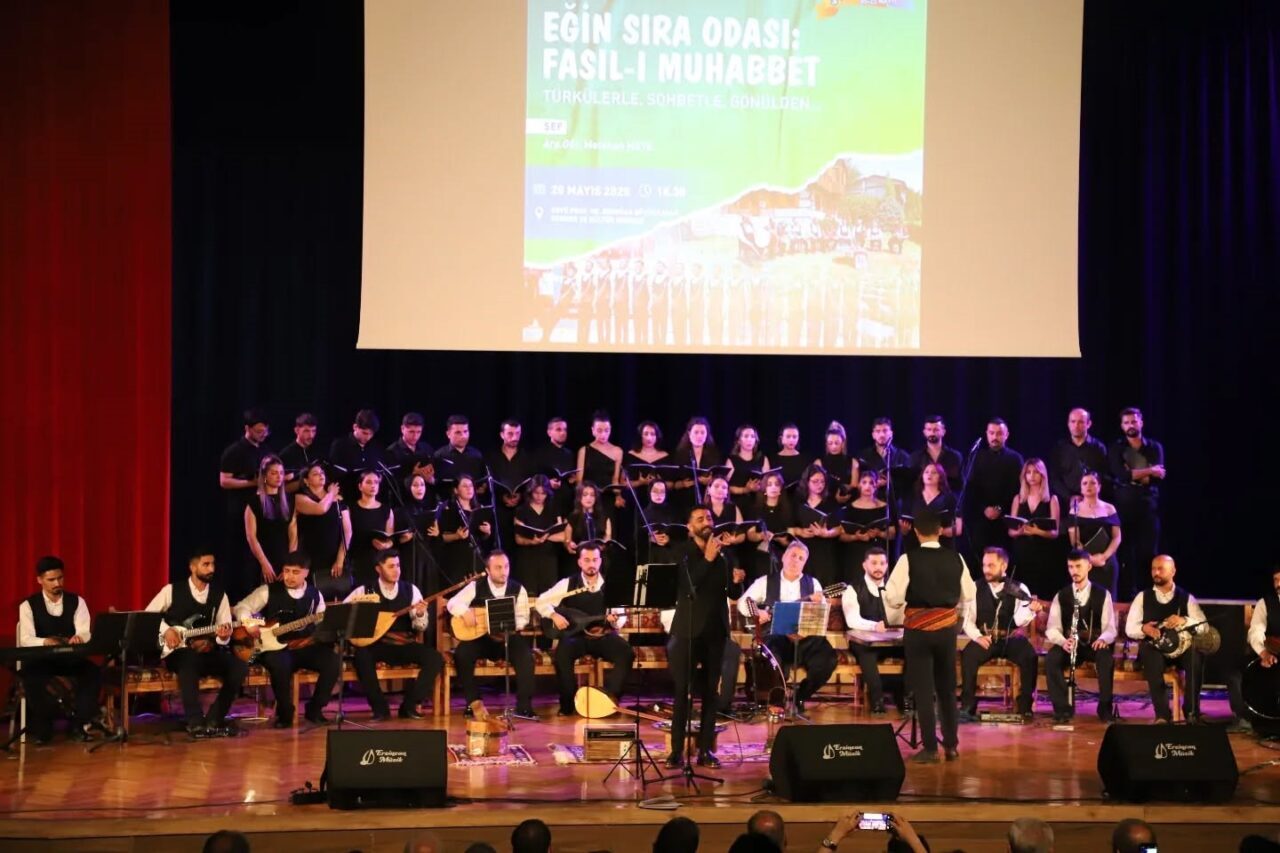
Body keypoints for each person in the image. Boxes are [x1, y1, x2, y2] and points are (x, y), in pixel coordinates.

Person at [883, 510, 976, 762]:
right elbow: (969, 592)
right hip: (946, 630)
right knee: (947, 688)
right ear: (940, 531)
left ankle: (931, 749)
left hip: (918, 630)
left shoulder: (907, 559)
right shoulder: (956, 558)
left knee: (924, 689)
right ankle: (952, 746)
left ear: (916, 532)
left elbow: (893, 597)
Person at [667, 506, 746, 768]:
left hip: (715, 632)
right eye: (700, 519)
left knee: (711, 694)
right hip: (687, 631)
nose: (706, 522)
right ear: (690, 528)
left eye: (709, 518)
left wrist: (737, 581)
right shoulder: (682, 553)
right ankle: (676, 752)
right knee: (682, 693)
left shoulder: (724, 554)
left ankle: (705, 752)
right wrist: (709, 559)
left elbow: (732, 595)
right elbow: (689, 589)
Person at [144, 546, 248, 735]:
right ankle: (195, 721)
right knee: (188, 661)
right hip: (179, 652)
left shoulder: (219, 595)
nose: (211, 569)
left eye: (213, 564)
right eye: (206, 564)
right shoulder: (171, 590)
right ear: (193, 567)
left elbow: (223, 630)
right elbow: (147, 617)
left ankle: (215, 718)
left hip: (207, 652)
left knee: (239, 667)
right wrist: (166, 630)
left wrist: (220, 638)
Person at [233, 552, 340, 727]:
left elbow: (322, 622)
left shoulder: (315, 595)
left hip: (302, 646)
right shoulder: (268, 591)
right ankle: (284, 714)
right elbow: (241, 607)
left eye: (295, 572)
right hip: (273, 648)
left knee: (333, 662)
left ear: (306, 572)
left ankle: (315, 709)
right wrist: (248, 623)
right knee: (279, 665)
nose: (289, 576)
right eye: (287, 571)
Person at [740, 541, 838, 717]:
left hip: (805, 638)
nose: (796, 561)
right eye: (793, 555)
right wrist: (758, 612)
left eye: (801, 558)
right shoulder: (765, 581)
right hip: (776, 637)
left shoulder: (813, 584)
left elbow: (820, 614)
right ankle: (777, 700)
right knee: (772, 656)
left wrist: (819, 604)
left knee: (827, 659)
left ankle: (800, 696)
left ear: (805, 563)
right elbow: (743, 602)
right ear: (784, 557)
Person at [537, 542, 634, 715]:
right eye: (587, 560)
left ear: (600, 561)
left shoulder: (609, 585)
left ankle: (608, 700)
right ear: (580, 562)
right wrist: (553, 615)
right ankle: (568, 704)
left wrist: (614, 622)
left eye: (595, 560)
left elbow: (620, 616)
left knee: (626, 653)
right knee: (562, 656)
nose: (591, 564)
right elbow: (541, 601)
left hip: (602, 636)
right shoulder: (568, 583)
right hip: (576, 636)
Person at [344, 551, 441, 720]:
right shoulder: (364, 590)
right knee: (361, 657)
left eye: (398, 565)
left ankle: (410, 706)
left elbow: (421, 627)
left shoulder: (411, 590)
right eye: (390, 566)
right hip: (377, 645)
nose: (396, 570)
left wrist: (419, 615)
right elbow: (344, 614)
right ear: (378, 569)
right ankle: (380, 708)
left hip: (405, 645)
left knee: (434, 658)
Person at [17, 556, 102, 743]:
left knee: (93, 673)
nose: (57, 583)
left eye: (60, 578)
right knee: (32, 678)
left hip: (69, 659)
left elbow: (85, 631)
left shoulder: (77, 602)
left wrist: (80, 637)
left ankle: (79, 725)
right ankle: (44, 729)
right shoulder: (28, 606)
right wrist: (45, 642)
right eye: (51, 580)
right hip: (41, 660)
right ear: (39, 580)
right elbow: (26, 639)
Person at [446, 550, 537, 720]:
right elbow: (452, 603)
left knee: (526, 657)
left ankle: (524, 706)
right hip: (482, 638)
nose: (504, 571)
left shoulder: (518, 589)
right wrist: (465, 611)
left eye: (506, 567)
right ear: (488, 570)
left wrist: (512, 624)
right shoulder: (476, 586)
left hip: (508, 637)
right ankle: (473, 702)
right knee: (462, 654)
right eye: (498, 567)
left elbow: (523, 617)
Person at [958, 547, 1039, 720]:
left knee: (1029, 655)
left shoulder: (1018, 588)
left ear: (1004, 566)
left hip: (1010, 638)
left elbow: (1019, 620)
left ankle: (1025, 704)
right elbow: (967, 620)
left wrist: (1030, 609)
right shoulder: (974, 587)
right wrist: (977, 637)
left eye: (991, 565)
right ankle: (968, 705)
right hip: (986, 638)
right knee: (968, 656)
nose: (986, 570)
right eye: (984, 565)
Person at [1126, 554, 1207, 722]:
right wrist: (1143, 628)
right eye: (1153, 569)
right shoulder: (1143, 597)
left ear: (1173, 571)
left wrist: (1184, 620)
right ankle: (1162, 715)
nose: (1156, 572)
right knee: (1150, 656)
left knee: (1196, 657)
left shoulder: (1186, 598)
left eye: (1160, 569)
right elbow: (1129, 629)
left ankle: (1191, 711)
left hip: (1180, 650)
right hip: (1155, 649)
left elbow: (1204, 626)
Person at [1045, 549, 1117, 723]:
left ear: (1089, 567)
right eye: (1070, 567)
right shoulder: (1062, 595)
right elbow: (1052, 628)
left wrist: (1102, 639)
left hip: (1094, 644)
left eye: (1078, 566)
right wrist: (1063, 642)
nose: (1074, 571)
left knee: (1106, 658)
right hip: (1071, 645)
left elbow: (1111, 629)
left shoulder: (1102, 594)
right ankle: (1063, 709)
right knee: (1052, 658)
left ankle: (1105, 708)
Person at [1109, 407, 1166, 597]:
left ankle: (1149, 596)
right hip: (1124, 508)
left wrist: (1134, 474)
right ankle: (1127, 598)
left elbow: (1159, 477)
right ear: (1121, 426)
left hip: (1148, 508)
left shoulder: (1154, 447)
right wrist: (1149, 471)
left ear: (1141, 422)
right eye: (1126, 422)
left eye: (1133, 421)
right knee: (1125, 554)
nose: (1130, 425)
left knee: (1147, 553)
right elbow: (1122, 475)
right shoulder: (1117, 448)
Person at [841, 547, 903, 715]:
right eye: (874, 563)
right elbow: (852, 620)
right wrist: (875, 626)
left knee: (915, 650)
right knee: (867, 655)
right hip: (864, 643)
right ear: (864, 565)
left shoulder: (893, 588)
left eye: (882, 563)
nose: (879, 567)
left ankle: (906, 699)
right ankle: (877, 702)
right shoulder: (853, 589)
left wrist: (898, 623)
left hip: (891, 641)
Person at [219, 408, 272, 601]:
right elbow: (224, 481)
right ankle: (237, 600)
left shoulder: (266, 450)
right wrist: (251, 482)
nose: (263, 434)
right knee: (241, 558)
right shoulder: (234, 451)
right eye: (259, 431)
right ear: (247, 429)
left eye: (265, 431)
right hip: (239, 510)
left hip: (262, 510)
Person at [963, 417, 1024, 564]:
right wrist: (984, 509)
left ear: (1006, 434)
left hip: (1005, 518)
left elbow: (1018, 489)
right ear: (986, 434)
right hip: (981, 518)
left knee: (1004, 560)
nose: (995, 437)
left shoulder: (1015, 459)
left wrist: (1000, 509)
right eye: (991, 433)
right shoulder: (976, 457)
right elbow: (970, 489)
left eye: (999, 433)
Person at [294, 462, 350, 599]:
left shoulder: (338, 500)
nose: (320, 475)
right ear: (306, 481)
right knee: (311, 597)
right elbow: (320, 509)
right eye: (315, 474)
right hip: (309, 556)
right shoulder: (300, 498)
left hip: (333, 556)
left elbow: (348, 531)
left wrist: (340, 559)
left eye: (322, 473)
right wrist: (331, 493)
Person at [1006, 458, 1061, 598]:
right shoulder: (1018, 499)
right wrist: (1019, 531)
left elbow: (1055, 532)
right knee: (1021, 594)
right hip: (1022, 552)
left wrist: (1037, 531)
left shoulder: (1051, 499)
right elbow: (1010, 531)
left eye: (1036, 472)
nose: (1032, 476)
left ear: (1043, 475)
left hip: (1043, 553)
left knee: (1041, 593)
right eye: (1028, 472)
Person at [245, 455, 298, 592]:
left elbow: (293, 533)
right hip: (262, 559)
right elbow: (251, 536)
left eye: (281, 473)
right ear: (264, 476)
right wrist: (264, 563)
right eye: (274, 473)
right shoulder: (255, 502)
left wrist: (289, 563)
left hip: (283, 559)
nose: (279, 476)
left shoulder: (289, 501)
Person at [1066, 470, 1122, 596]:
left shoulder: (1109, 508)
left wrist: (1104, 557)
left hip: (1107, 562)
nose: (1088, 486)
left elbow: (1117, 537)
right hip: (1085, 564)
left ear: (1099, 486)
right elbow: (1075, 541)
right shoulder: (1075, 510)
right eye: (1085, 483)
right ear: (1080, 488)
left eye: (1093, 483)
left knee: (1108, 601)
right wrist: (1090, 559)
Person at [788, 464, 842, 587]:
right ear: (807, 482)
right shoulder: (798, 502)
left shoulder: (830, 502)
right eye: (815, 481)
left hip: (824, 552)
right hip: (803, 551)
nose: (819, 485)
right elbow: (787, 528)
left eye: (822, 482)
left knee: (824, 588)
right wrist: (799, 531)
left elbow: (840, 529)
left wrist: (826, 533)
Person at [513, 475, 565, 595]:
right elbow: (518, 538)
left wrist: (546, 536)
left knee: (548, 594)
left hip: (548, 558)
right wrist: (532, 541)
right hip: (528, 559)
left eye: (543, 493)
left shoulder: (553, 508)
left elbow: (562, 535)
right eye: (536, 492)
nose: (539, 496)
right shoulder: (521, 510)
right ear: (531, 491)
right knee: (529, 594)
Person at [344, 470, 396, 590]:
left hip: (380, 560)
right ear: (360, 486)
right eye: (368, 482)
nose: (373, 485)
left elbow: (390, 537)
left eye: (376, 482)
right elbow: (347, 535)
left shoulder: (386, 509)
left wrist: (386, 544)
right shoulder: (351, 508)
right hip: (358, 559)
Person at [839, 470, 895, 580]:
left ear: (876, 486)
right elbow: (841, 536)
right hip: (856, 554)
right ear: (859, 485)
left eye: (871, 483)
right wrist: (855, 536)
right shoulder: (849, 508)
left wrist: (879, 533)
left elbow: (892, 534)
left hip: (878, 551)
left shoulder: (885, 507)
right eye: (864, 482)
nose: (868, 486)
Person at [438, 474, 493, 581]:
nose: (469, 489)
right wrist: (456, 536)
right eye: (464, 486)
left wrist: (487, 532)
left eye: (471, 486)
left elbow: (482, 538)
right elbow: (442, 537)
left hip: (476, 556)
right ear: (456, 490)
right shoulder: (448, 510)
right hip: (457, 558)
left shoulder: (479, 509)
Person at [1048, 408, 1107, 502]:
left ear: (1089, 424)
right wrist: (1070, 497)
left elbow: (1104, 476)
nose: (1076, 425)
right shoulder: (1060, 448)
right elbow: (1055, 479)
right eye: (1073, 421)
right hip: (1066, 501)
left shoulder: (1098, 448)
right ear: (1068, 424)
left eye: (1081, 422)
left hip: (1093, 501)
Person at [898, 462, 960, 552]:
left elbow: (958, 528)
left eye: (934, 472)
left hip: (941, 546)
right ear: (922, 476)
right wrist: (903, 530)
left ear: (941, 477)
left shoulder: (949, 498)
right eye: (926, 472)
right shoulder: (912, 496)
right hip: (915, 547)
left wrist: (940, 531)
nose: (929, 474)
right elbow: (902, 520)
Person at [328, 409, 387, 501]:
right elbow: (333, 473)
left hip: (371, 499)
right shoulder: (340, 445)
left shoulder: (375, 447)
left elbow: (380, 469)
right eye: (365, 433)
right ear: (355, 427)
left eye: (371, 434)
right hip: (347, 496)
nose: (368, 437)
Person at [747, 470, 793, 579]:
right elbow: (750, 534)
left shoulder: (788, 509)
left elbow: (791, 534)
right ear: (764, 489)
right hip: (762, 555)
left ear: (781, 488)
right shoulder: (756, 509)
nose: (773, 487)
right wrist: (761, 536)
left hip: (782, 554)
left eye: (777, 484)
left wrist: (784, 541)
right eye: (769, 484)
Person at [577, 411, 624, 510]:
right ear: (593, 430)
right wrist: (581, 498)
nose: (603, 434)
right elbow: (579, 480)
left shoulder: (617, 451)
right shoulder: (584, 450)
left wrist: (618, 496)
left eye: (607, 430)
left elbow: (615, 479)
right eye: (599, 430)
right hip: (589, 498)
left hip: (608, 498)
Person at [908, 414, 964, 493]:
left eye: (936, 429)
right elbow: (911, 483)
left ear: (943, 432)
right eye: (929, 429)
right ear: (924, 432)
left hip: (948, 501)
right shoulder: (915, 457)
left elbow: (960, 484)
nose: (932, 433)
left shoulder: (955, 457)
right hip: (923, 501)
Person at [857, 417, 910, 499]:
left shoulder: (902, 456)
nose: (882, 435)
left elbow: (908, 482)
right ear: (873, 435)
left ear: (891, 433)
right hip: (871, 502)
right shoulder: (864, 456)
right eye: (878, 431)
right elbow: (858, 480)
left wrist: (889, 482)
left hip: (895, 502)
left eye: (885, 431)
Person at [434, 414, 487, 495]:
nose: (463, 436)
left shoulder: (476, 455)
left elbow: (483, 480)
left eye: (465, 431)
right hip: (448, 504)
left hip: (472, 504)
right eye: (458, 433)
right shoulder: (439, 456)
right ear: (448, 434)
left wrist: (483, 487)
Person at [385, 412, 435, 489]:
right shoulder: (392, 452)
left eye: (419, 432)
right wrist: (413, 475)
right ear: (402, 429)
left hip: (426, 497)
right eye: (411, 432)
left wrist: (431, 479)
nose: (415, 436)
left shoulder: (426, 448)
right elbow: (391, 483)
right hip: (403, 497)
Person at [727, 424, 770, 511]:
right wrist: (745, 490)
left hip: (758, 504)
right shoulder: (732, 460)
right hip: (737, 504)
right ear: (739, 440)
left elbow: (768, 483)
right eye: (746, 436)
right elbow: (726, 487)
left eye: (752, 436)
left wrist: (760, 487)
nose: (749, 440)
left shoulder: (762, 459)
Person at [277, 412, 320, 492]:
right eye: (306, 431)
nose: (311, 435)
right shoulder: (286, 454)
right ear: (296, 430)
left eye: (313, 431)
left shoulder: (317, 451)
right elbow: (281, 487)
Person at [819, 421, 858, 503]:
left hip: (848, 501)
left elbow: (855, 485)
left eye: (837, 443)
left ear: (843, 443)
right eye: (830, 443)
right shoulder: (819, 462)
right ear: (826, 444)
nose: (833, 446)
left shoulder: (853, 462)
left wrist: (844, 490)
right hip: (825, 502)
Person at [773, 422, 811, 494]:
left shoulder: (805, 459)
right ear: (781, 438)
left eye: (794, 437)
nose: (791, 440)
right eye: (788, 436)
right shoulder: (773, 459)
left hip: (800, 497)